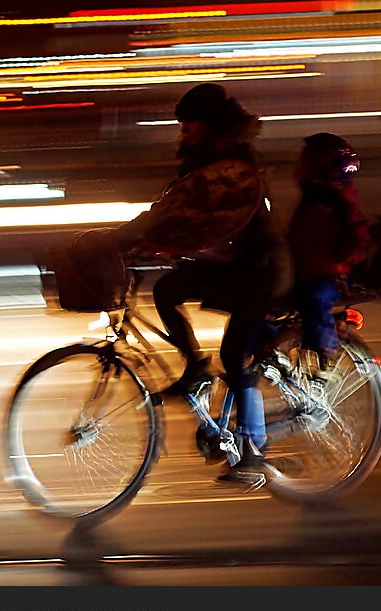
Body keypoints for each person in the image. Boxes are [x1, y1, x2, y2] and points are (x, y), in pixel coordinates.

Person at [113, 83, 292, 482]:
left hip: (260, 269)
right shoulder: (199, 162)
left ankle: (253, 451)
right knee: (166, 290)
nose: (182, 132)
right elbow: (171, 209)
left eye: (188, 124)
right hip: (227, 264)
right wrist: (127, 237)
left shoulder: (235, 166)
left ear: (210, 124)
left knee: (235, 354)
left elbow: (214, 218)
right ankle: (196, 367)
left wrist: (166, 241)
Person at [288, 133, 370, 380]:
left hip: (329, 274)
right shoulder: (314, 198)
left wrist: (342, 260)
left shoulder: (339, 202)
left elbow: (359, 237)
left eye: (305, 163)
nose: (298, 169)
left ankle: (327, 355)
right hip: (306, 269)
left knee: (316, 300)